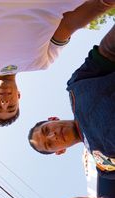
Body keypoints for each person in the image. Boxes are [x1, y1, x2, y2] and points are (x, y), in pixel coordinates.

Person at [28, 21, 115, 179]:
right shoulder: (103, 163)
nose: (52, 136)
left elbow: (107, 53)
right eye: (50, 145)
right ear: (60, 151)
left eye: (46, 130)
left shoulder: (76, 87)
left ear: (52, 119)